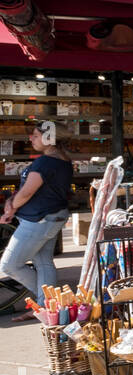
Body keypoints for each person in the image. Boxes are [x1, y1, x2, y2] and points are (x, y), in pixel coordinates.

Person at [0, 123, 74, 303]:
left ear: (49, 139)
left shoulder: (45, 162)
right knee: (43, 262)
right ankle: (49, 304)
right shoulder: (63, 161)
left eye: (35, 135)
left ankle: (53, 302)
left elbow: (27, 192)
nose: (31, 138)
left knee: (9, 265)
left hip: (38, 220)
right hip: (51, 216)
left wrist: (11, 207)